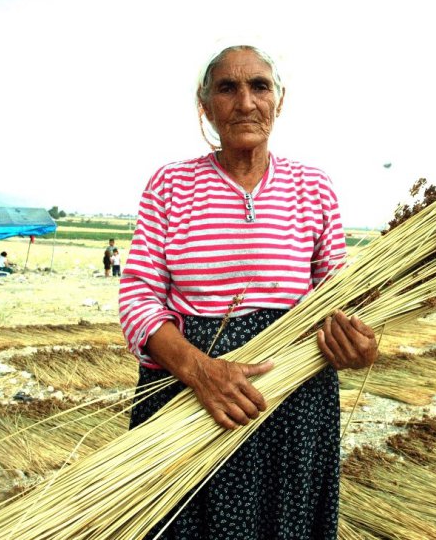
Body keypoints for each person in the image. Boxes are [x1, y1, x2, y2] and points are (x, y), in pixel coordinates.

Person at [119, 45, 377, 540]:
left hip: (293, 396)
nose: (245, 102)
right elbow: (138, 300)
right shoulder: (171, 185)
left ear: (280, 99)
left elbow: (342, 302)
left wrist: (362, 348)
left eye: (259, 86)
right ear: (205, 104)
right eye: (227, 88)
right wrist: (201, 371)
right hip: (189, 394)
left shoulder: (313, 188)